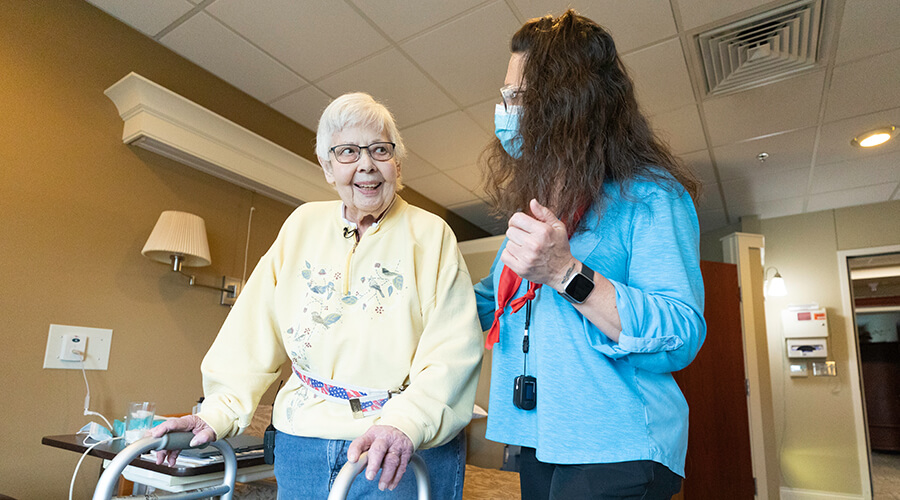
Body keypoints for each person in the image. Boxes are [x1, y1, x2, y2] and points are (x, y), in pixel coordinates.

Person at [152, 92, 484, 499]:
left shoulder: (431, 235)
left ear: (397, 164)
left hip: (395, 448)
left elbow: (453, 351)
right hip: (302, 443)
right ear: (328, 168)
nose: (366, 164)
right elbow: (253, 330)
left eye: (380, 149)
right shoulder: (302, 225)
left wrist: (405, 423)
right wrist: (216, 412)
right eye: (347, 152)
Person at [474, 10, 707, 500]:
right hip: (539, 437)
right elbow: (486, 302)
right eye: (505, 96)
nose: (506, 110)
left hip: (617, 444)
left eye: (519, 97)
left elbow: (681, 333)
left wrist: (566, 272)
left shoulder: (651, 197)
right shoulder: (540, 209)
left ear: (567, 103)